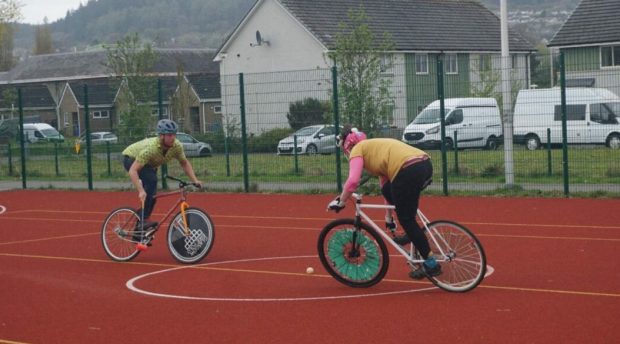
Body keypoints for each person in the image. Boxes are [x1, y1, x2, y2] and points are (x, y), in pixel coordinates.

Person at [326, 125, 440, 279]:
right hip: (424, 164)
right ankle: (411, 233)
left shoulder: (357, 150)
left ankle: (432, 264)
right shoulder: (374, 149)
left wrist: (341, 201)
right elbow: (386, 189)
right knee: (396, 198)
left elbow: (352, 181)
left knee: (406, 219)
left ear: (348, 145)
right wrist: (389, 216)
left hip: (408, 169)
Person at [122, 119, 203, 235]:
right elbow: (133, 170)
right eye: (170, 135)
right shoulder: (151, 149)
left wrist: (195, 180)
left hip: (149, 164)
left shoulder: (176, 146)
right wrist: (140, 190)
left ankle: (139, 230)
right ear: (161, 136)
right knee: (151, 182)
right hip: (131, 159)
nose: (173, 137)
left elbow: (184, 163)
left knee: (152, 196)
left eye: (174, 134)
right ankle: (143, 221)